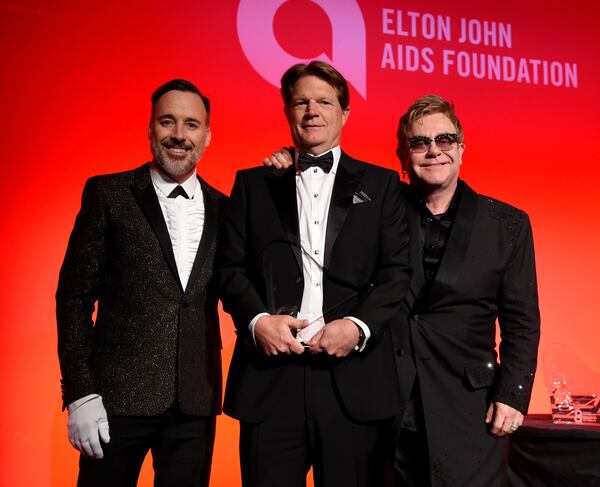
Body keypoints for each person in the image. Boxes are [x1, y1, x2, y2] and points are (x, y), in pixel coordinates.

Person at [217, 61, 412, 487]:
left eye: (324, 101)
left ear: (344, 113)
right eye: (301, 102)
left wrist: (357, 328)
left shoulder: (381, 186)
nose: (312, 111)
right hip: (272, 378)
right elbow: (229, 269)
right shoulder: (255, 183)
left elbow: (397, 272)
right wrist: (257, 323)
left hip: (353, 380)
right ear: (288, 112)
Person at [56, 79, 227, 487]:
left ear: (206, 136)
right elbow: (74, 297)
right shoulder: (108, 193)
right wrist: (80, 392)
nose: (179, 135)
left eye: (191, 124)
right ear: (151, 129)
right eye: (167, 122)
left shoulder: (227, 207)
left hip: (195, 401)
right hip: (114, 400)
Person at [390, 94, 540, 486]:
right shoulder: (381, 212)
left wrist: (513, 393)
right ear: (403, 155)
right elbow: (330, 189)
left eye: (445, 140)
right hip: (392, 405)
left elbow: (522, 320)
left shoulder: (507, 224)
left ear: (461, 148)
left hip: (472, 408)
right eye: (419, 142)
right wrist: (291, 163)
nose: (433, 151)